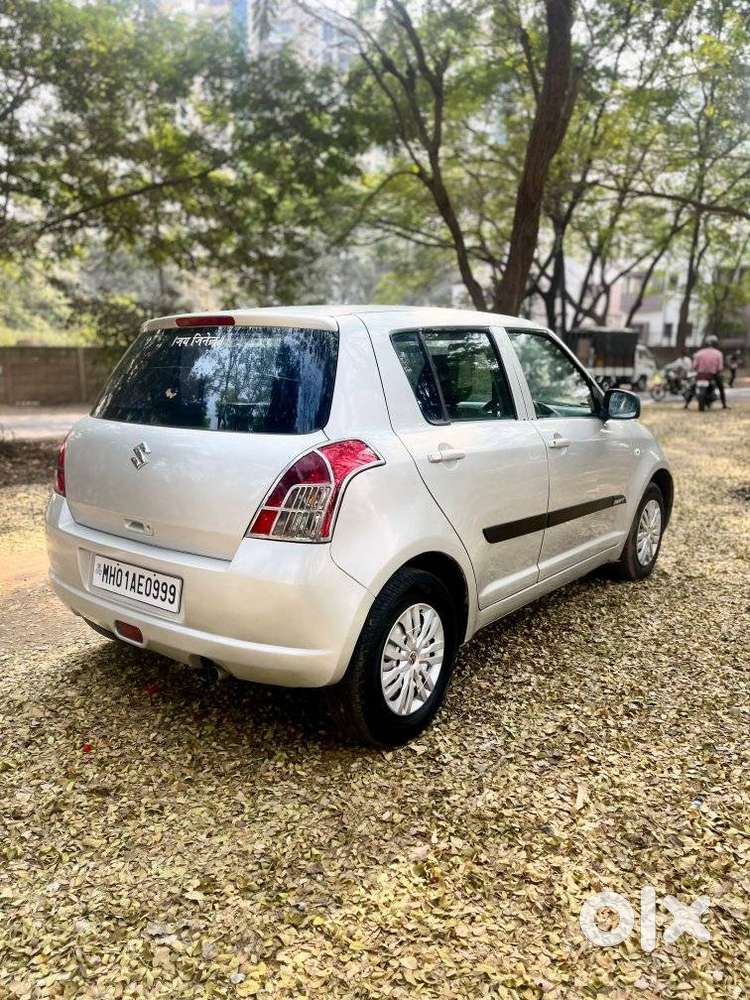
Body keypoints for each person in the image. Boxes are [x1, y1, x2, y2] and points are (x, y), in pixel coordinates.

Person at [684, 335, 728, 410]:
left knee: (692, 388)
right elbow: (720, 368)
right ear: (715, 344)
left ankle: (686, 404)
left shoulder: (699, 353)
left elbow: (694, 366)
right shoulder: (718, 353)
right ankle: (724, 404)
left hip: (700, 375)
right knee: (721, 388)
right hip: (712, 375)